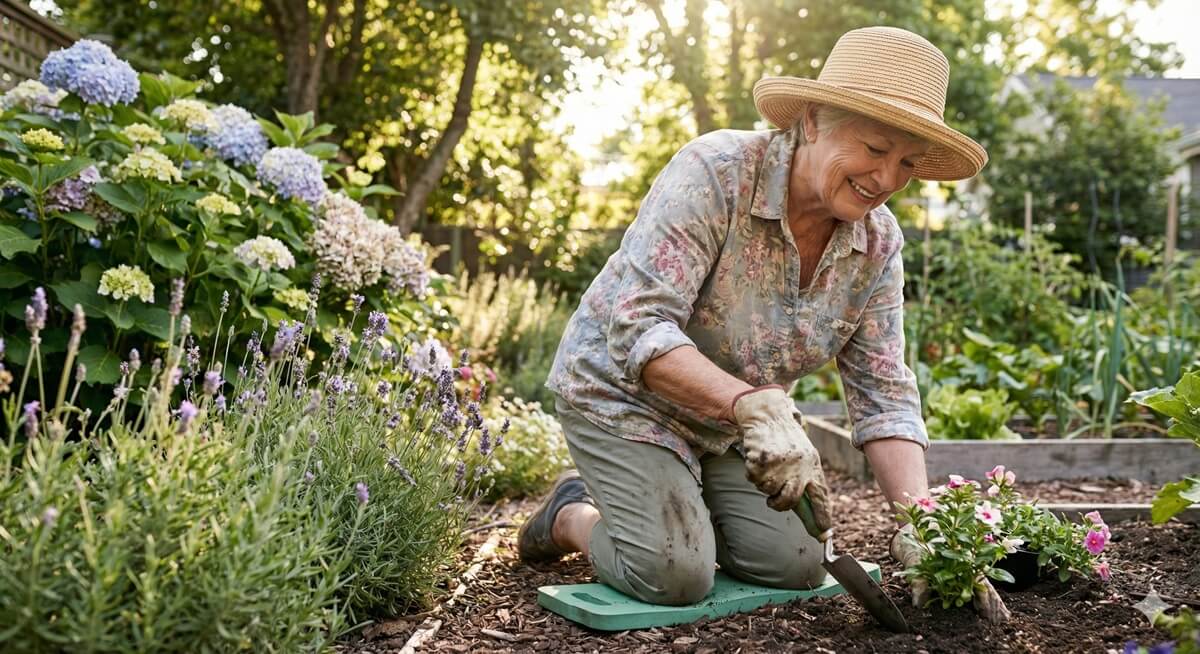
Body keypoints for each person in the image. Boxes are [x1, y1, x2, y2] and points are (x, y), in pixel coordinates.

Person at [519, 26, 1009, 622]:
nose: (886, 179)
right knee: (676, 573)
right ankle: (572, 513)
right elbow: (641, 328)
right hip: (624, 396)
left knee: (799, 564)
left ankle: (677, 502)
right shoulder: (715, 173)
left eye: (907, 163)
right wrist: (753, 407)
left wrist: (926, 525)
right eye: (875, 149)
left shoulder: (877, 245)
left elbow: (883, 391)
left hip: (739, 426)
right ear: (810, 122)